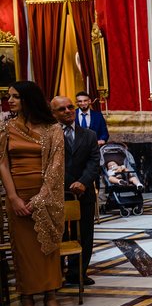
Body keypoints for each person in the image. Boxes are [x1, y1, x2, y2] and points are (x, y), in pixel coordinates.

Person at [0, 81, 65, 306]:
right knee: (24, 251)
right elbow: (2, 163)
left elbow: (56, 167)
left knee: (47, 247)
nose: (11, 100)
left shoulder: (52, 129)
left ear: (29, 99)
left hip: (46, 196)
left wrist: (41, 197)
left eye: (16, 96)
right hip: (17, 195)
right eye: (10, 96)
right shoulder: (6, 128)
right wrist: (14, 197)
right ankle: (27, 299)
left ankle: (51, 296)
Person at [52, 97, 99, 286]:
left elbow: (94, 162)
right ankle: (56, 274)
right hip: (58, 192)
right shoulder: (49, 136)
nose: (68, 111)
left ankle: (78, 272)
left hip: (83, 192)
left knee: (84, 234)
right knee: (59, 234)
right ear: (53, 114)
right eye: (61, 109)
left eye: (70, 107)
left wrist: (83, 182)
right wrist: (65, 183)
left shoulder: (89, 135)